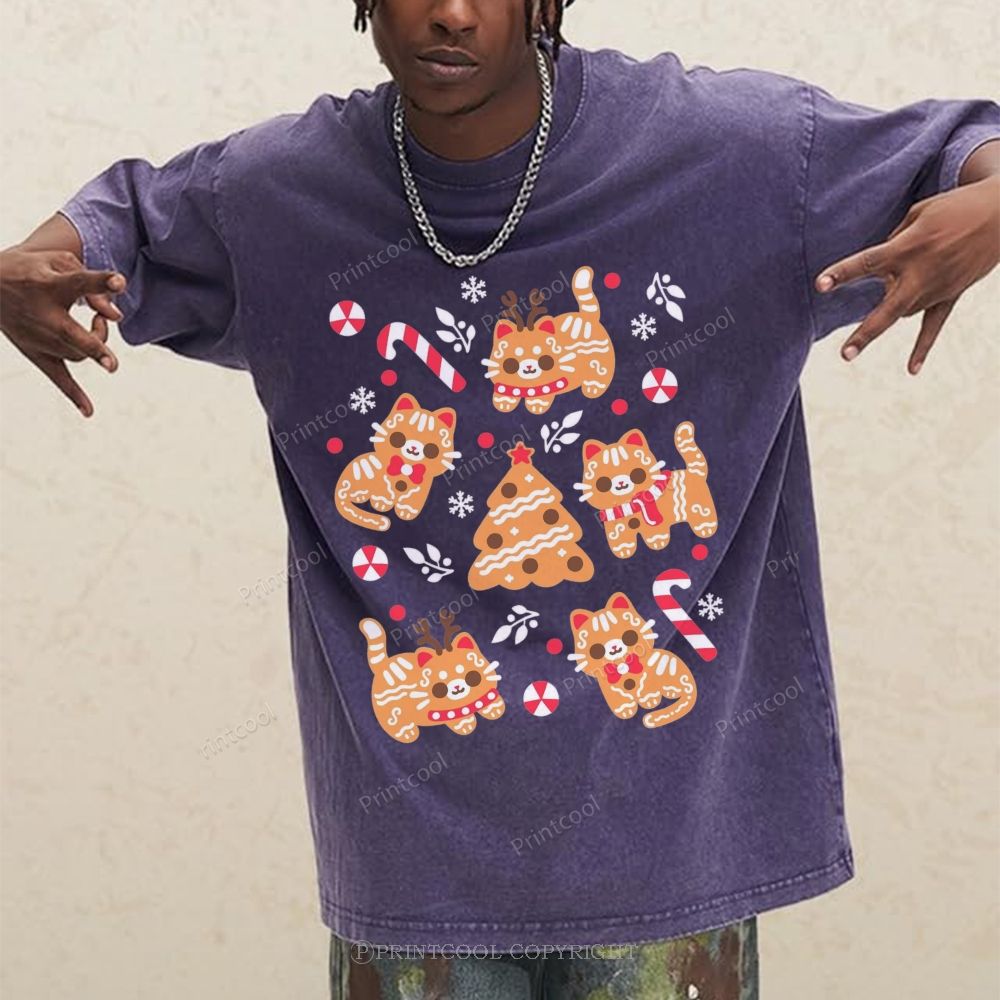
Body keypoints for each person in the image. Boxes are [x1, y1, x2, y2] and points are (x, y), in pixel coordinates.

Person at [2, 1, 997, 997]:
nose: (450, 12)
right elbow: (119, 222)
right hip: (413, 868)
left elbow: (962, 147)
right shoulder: (277, 195)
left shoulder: (737, 154)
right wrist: (19, 274)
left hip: (666, 860)